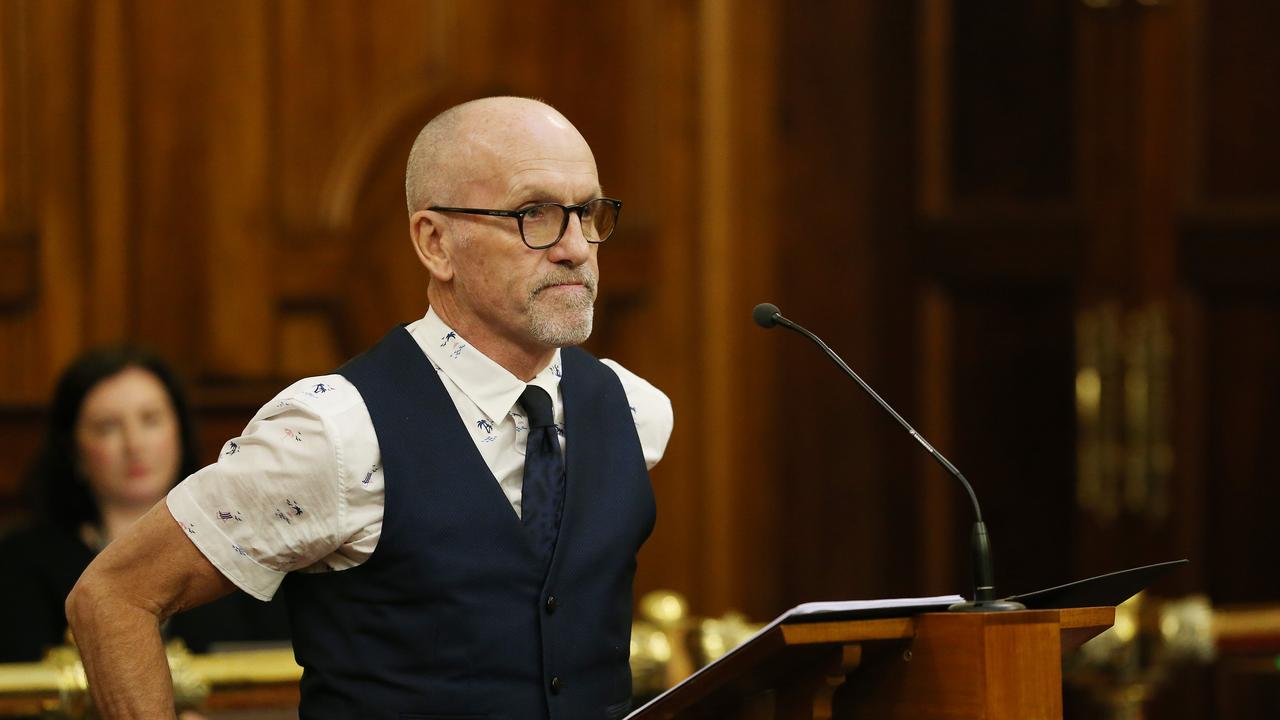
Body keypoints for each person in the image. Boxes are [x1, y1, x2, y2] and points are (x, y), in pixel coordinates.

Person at [67, 97, 673, 719]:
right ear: (435, 242)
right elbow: (112, 597)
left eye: (589, 213)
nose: (576, 247)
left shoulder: (634, 412)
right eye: (535, 214)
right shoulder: (334, 434)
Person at [0, 347, 290, 663]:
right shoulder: (20, 561)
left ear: (179, 431)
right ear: (73, 449)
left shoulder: (246, 546)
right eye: (107, 427)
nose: (134, 444)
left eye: (150, 420)